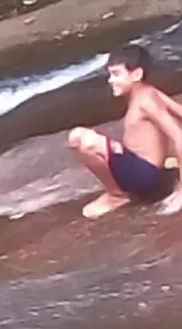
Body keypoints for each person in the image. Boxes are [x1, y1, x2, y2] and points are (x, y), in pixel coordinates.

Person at [67, 44, 182, 219]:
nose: (110, 80)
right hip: (141, 170)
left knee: (80, 138)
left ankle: (116, 195)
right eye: (110, 75)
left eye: (116, 74)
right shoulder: (149, 92)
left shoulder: (146, 101)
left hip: (146, 177)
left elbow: (178, 136)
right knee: (84, 137)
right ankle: (118, 192)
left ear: (136, 75)